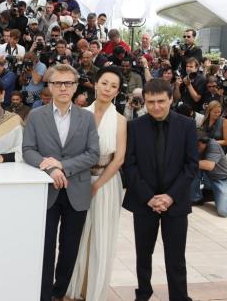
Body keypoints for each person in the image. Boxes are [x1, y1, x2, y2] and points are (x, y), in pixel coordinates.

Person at [22, 64, 100, 301]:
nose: (63, 87)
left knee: (69, 248)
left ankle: (58, 293)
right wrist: (51, 168)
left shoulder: (86, 118)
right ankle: (43, 294)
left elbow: (93, 154)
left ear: (76, 86)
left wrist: (62, 166)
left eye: (68, 83)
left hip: (77, 190)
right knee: (45, 247)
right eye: (57, 83)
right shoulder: (36, 115)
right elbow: (28, 150)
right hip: (46, 192)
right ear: (50, 86)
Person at [123, 78, 198, 301]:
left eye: (161, 101)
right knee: (143, 254)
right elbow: (130, 164)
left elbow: (191, 165)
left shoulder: (186, 125)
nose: (156, 106)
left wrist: (170, 196)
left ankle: (179, 297)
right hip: (144, 202)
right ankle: (143, 293)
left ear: (171, 99)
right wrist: (149, 198)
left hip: (175, 202)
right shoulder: (135, 126)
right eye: (150, 102)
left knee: (176, 257)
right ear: (144, 101)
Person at [67, 67, 127, 300]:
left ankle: (93, 289)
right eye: (104, 83)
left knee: (101, 235)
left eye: (113, 86)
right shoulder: (80, 114)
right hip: (79, 180)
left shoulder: (121, 121)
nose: (108, 89)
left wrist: (97, 184)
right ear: (95, 83)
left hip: (107, 183)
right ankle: (75, 285)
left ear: (118, 91)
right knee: (78, 234)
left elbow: (119, 158)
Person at [191, 133, 227, 217]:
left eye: (198, 145)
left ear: (204, 143)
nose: (196, 149)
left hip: (221, 180)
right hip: (207, 177)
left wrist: (189, 162)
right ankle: (196, 198)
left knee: (223, 212)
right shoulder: (196, 146)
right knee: (193, 168)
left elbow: (209, 165)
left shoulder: (213, 145)